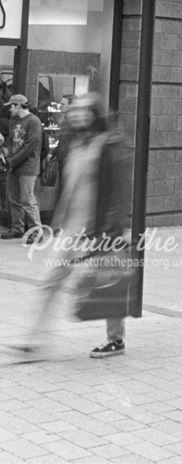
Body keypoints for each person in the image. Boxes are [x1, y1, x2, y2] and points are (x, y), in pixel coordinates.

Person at [14, 94, 130, 358]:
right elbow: (68, 190)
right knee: (49, 282)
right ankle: (32, 341)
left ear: (94, 114)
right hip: (71, 231)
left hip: (98, 230)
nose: (76, 114)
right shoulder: (74, 144)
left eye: (83, 110)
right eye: (74, 110)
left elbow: (117, 194)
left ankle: (116, 340)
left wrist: (109, 233)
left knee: (106, 282)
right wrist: (56, 224)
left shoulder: (108, 145)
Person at [1, 94, 43, 242]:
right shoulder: (14, 121)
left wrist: (11, 160)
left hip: (28, 167)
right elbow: (13, 142)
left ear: (18, 106)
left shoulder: (34, 121)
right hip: (14, 165)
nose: (9, 110)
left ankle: (37, 232)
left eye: (11, 106)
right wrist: (6, 153)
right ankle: (17, 229)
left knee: (27, 200)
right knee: (13, 199)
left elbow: (30, 146)